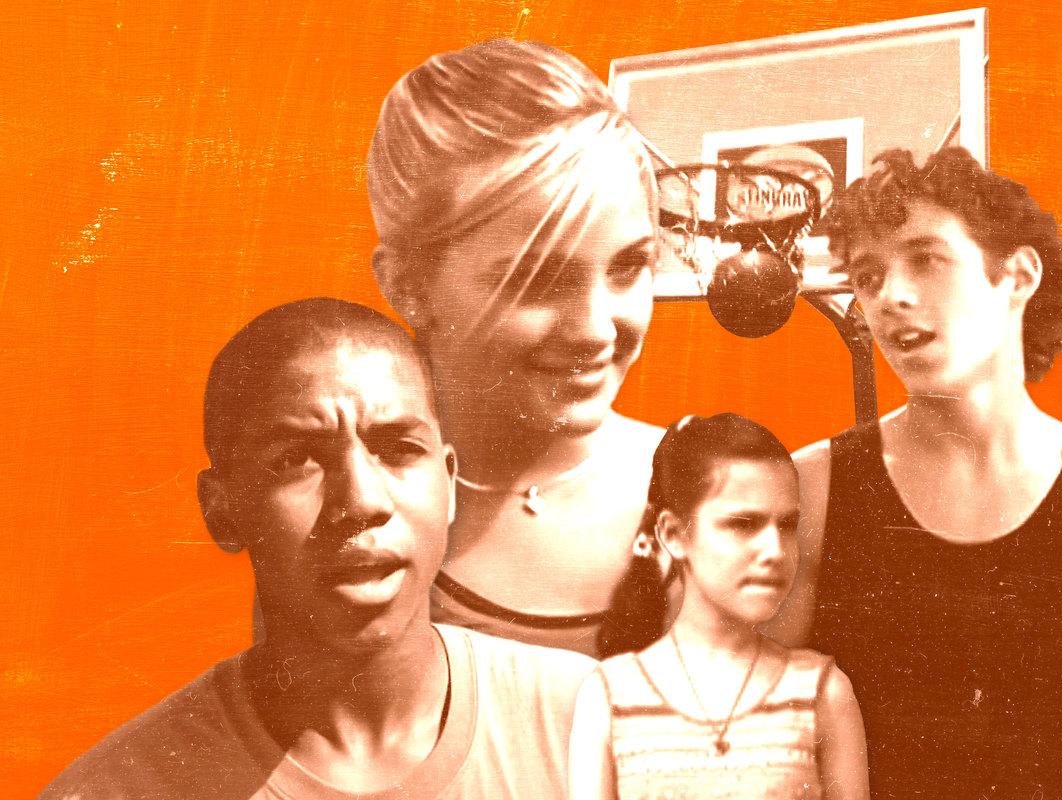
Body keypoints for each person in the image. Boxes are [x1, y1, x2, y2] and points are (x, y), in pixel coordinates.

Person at [40, 298, 594, 800]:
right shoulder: (118, 789)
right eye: (295, 460)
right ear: (222, 511)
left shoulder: (593, 729)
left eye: (398, 448)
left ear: (448, 484)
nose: (361, 501)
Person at [763, 148, 1062, 799]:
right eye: (868, 277)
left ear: (1018, 276)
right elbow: (762, 762)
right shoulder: (811, 489)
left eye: (925, 259)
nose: (890, 296)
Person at [366, 39, 664, 656]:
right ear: (409, 286)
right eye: (538, 280)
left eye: (629, 267)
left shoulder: (716, 490)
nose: (596, 330)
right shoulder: (352, 515)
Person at [570, 414, 869, 800]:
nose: (775, 551)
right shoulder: (608, 697)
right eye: (743, 524)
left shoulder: (823, 692)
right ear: (673, 535)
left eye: (787, 525)